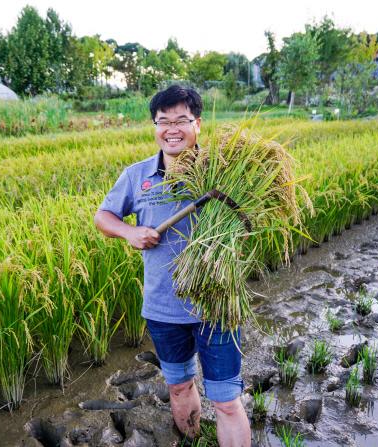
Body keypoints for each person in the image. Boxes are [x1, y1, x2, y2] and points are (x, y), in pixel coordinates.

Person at [94, 85, 251, 447]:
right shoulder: (138, 175)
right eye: (163, 121)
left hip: (217, 305)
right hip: (163, 308)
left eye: (182, 120)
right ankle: (193, 441)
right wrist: (129, 232)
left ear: (198, 125)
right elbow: (103, 217)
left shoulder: (223, 171)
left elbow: (253, 217)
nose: (172, 128)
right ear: (154, 126)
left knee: (226, 399)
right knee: (179, 386)